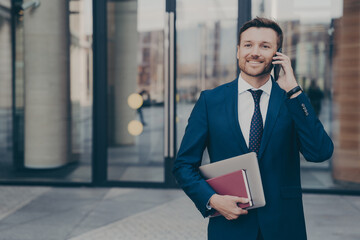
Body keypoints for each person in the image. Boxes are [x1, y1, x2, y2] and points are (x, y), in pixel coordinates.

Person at [173, 17, 333, 240]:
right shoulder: (210, 101)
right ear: (238, 51)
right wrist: (212, 200)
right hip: (230, 226)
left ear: (277, 55)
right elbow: (183, 165)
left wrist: (295, 92)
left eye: (265, 46)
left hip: (284, 226)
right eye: (248, 45)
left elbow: (320, 152)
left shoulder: (292, 101)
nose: (255, 52)